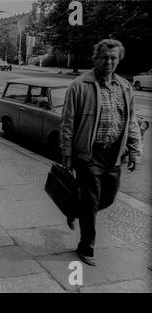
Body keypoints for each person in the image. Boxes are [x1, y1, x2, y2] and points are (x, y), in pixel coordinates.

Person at [60, 39, 142, 266]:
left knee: (107, 197)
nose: (109, 62)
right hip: (88, 154)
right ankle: (86, 247)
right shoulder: (79, 85)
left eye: (113, 58)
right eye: (105, 57)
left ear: (119, 59)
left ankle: (74, 209)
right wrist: (66, 153)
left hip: (114, 153)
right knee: (91, 200)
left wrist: (135, 149)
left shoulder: (125, 86)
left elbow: (131, 120)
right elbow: (67, 122)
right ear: (95, 59)